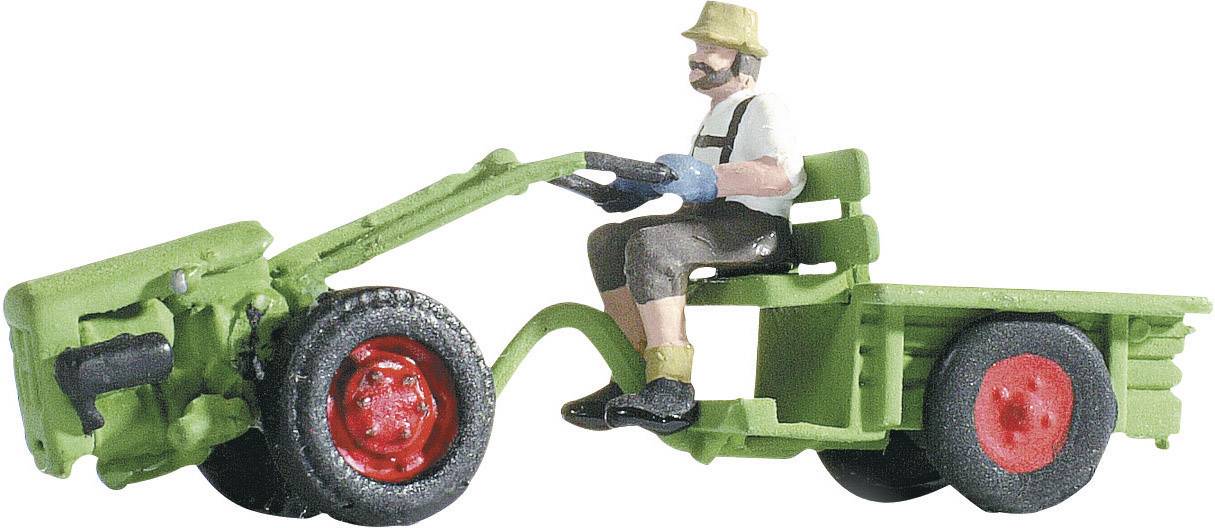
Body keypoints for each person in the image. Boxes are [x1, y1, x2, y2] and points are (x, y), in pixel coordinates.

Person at [562, 1, 806, 434]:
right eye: (698, 47)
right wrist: (633, 190)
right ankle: (630, 371)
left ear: (744, 61)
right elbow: (687, 181)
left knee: (656, 247)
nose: (697, 56)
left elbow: (781, 175)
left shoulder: (763, 107)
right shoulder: (715, 115)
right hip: (711, 223)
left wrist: (709, 179)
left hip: (754, 230)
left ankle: (671, 387)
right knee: (607, 241)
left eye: (711, 48)